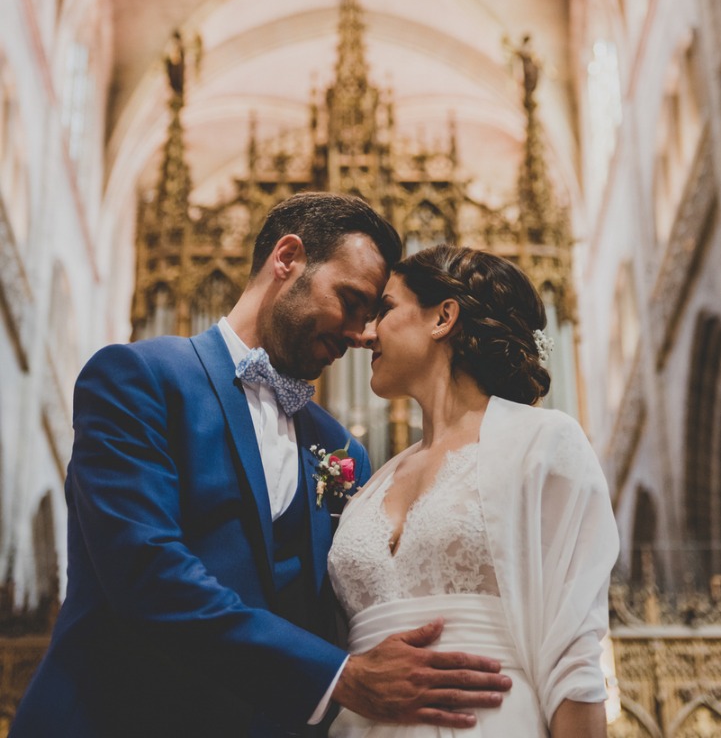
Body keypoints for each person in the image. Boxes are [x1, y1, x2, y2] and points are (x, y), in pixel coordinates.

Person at [11, 194, 510, 738]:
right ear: (287, 258)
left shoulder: (342, 449)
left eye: (373, 316)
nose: (361, 334)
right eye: (350, 300)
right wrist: (339, 677)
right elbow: (146, 573)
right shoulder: (137, 379)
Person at [328, 244, 619, 737]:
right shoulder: (372, 483)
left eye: (386, 309)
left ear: (444, 317)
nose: (366, 332)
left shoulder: (542, 442)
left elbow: (572, 653)